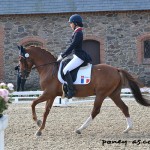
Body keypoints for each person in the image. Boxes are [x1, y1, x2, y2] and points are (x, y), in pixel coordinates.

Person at [57, 14, 92, 99]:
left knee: (65, 70)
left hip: (79, 56)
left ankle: (71, 91)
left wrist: (63, 55)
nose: (70, 25)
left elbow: (72, 46)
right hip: (76, 55)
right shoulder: (76, 32)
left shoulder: (79, 33)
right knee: (64, 64)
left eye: (71, 23)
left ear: (75, 23)